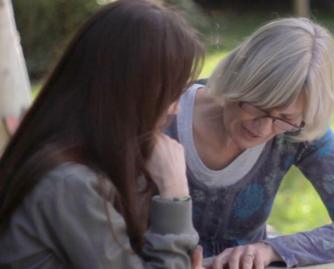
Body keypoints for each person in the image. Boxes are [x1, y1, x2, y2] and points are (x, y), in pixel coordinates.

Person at [165, 17, 334, 268]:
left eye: (285, 118)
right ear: (237, 79)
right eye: (257, 106)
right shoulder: (162, 115)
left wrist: (271, 249)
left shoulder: (297, 130)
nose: (262, 128)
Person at [0, 0, 204, 268]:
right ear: (132, 94)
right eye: (171, 93)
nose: (176, 108)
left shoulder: (78, 155)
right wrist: (174, 193)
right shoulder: (69, 183)